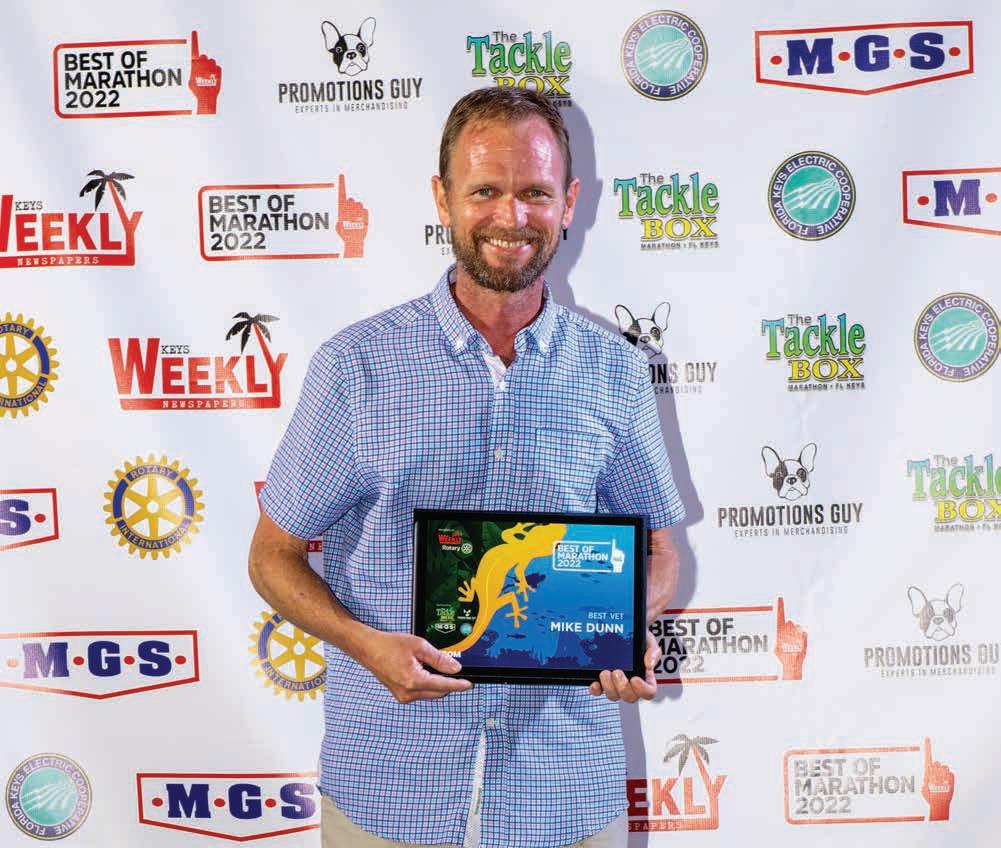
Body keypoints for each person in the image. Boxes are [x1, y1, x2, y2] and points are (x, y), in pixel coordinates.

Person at [249, 86, 685, 848]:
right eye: (484, 190)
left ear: (568, 203)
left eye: (535, 193)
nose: (510, 216)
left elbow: (661, 556)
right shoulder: (356, 367)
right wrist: (365, 645)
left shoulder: (615, 372)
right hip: (391, 784)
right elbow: (271, 557)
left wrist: (624, 629)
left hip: (563, 792)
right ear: (442, 199)